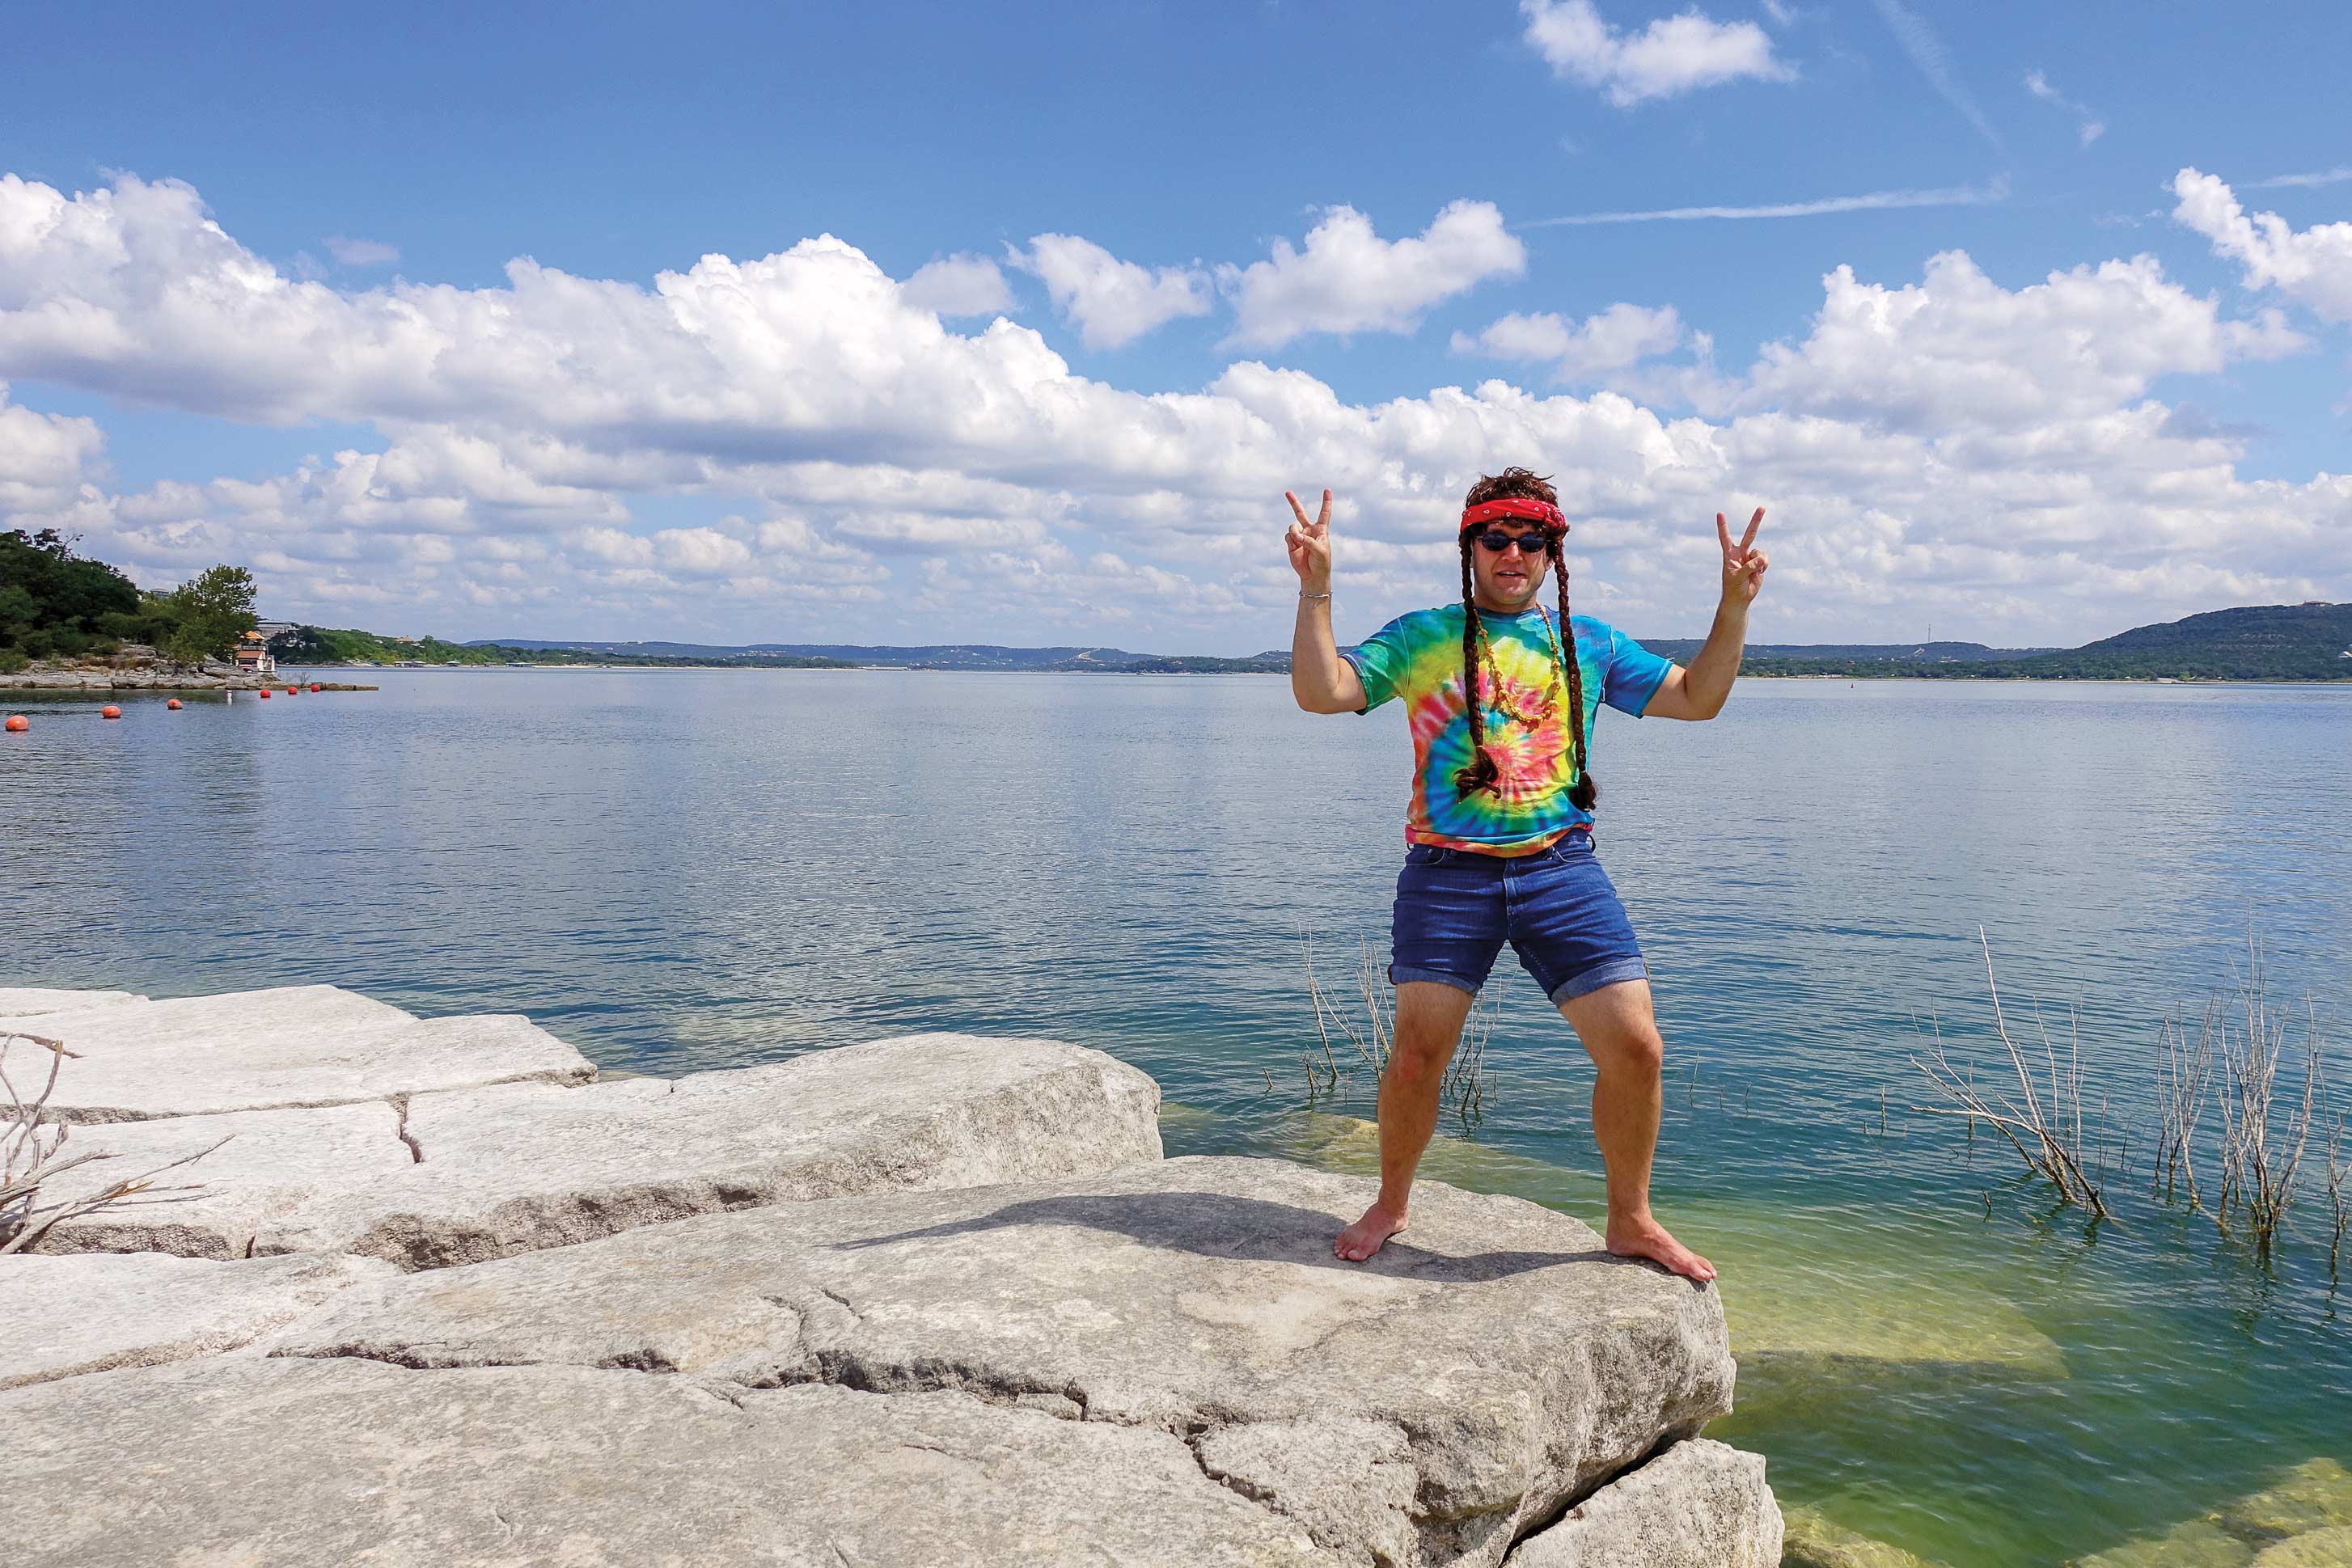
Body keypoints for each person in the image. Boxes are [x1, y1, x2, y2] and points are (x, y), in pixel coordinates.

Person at [1284, 467, 1767, 1283]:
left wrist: (1734, 607)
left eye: (1529, 540)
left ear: (1551, 553)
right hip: (1447, 875)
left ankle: (1629, 1219)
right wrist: (1316, 592)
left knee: (1637, 1048)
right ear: (1469, 546)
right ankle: (1393, 1201)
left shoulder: (1590, 642)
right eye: (1495, 539)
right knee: (1414, 1059)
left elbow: (1698, 698)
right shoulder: (1422, 635)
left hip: (1561, 869)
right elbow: (1320, 691)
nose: (1512, 553)